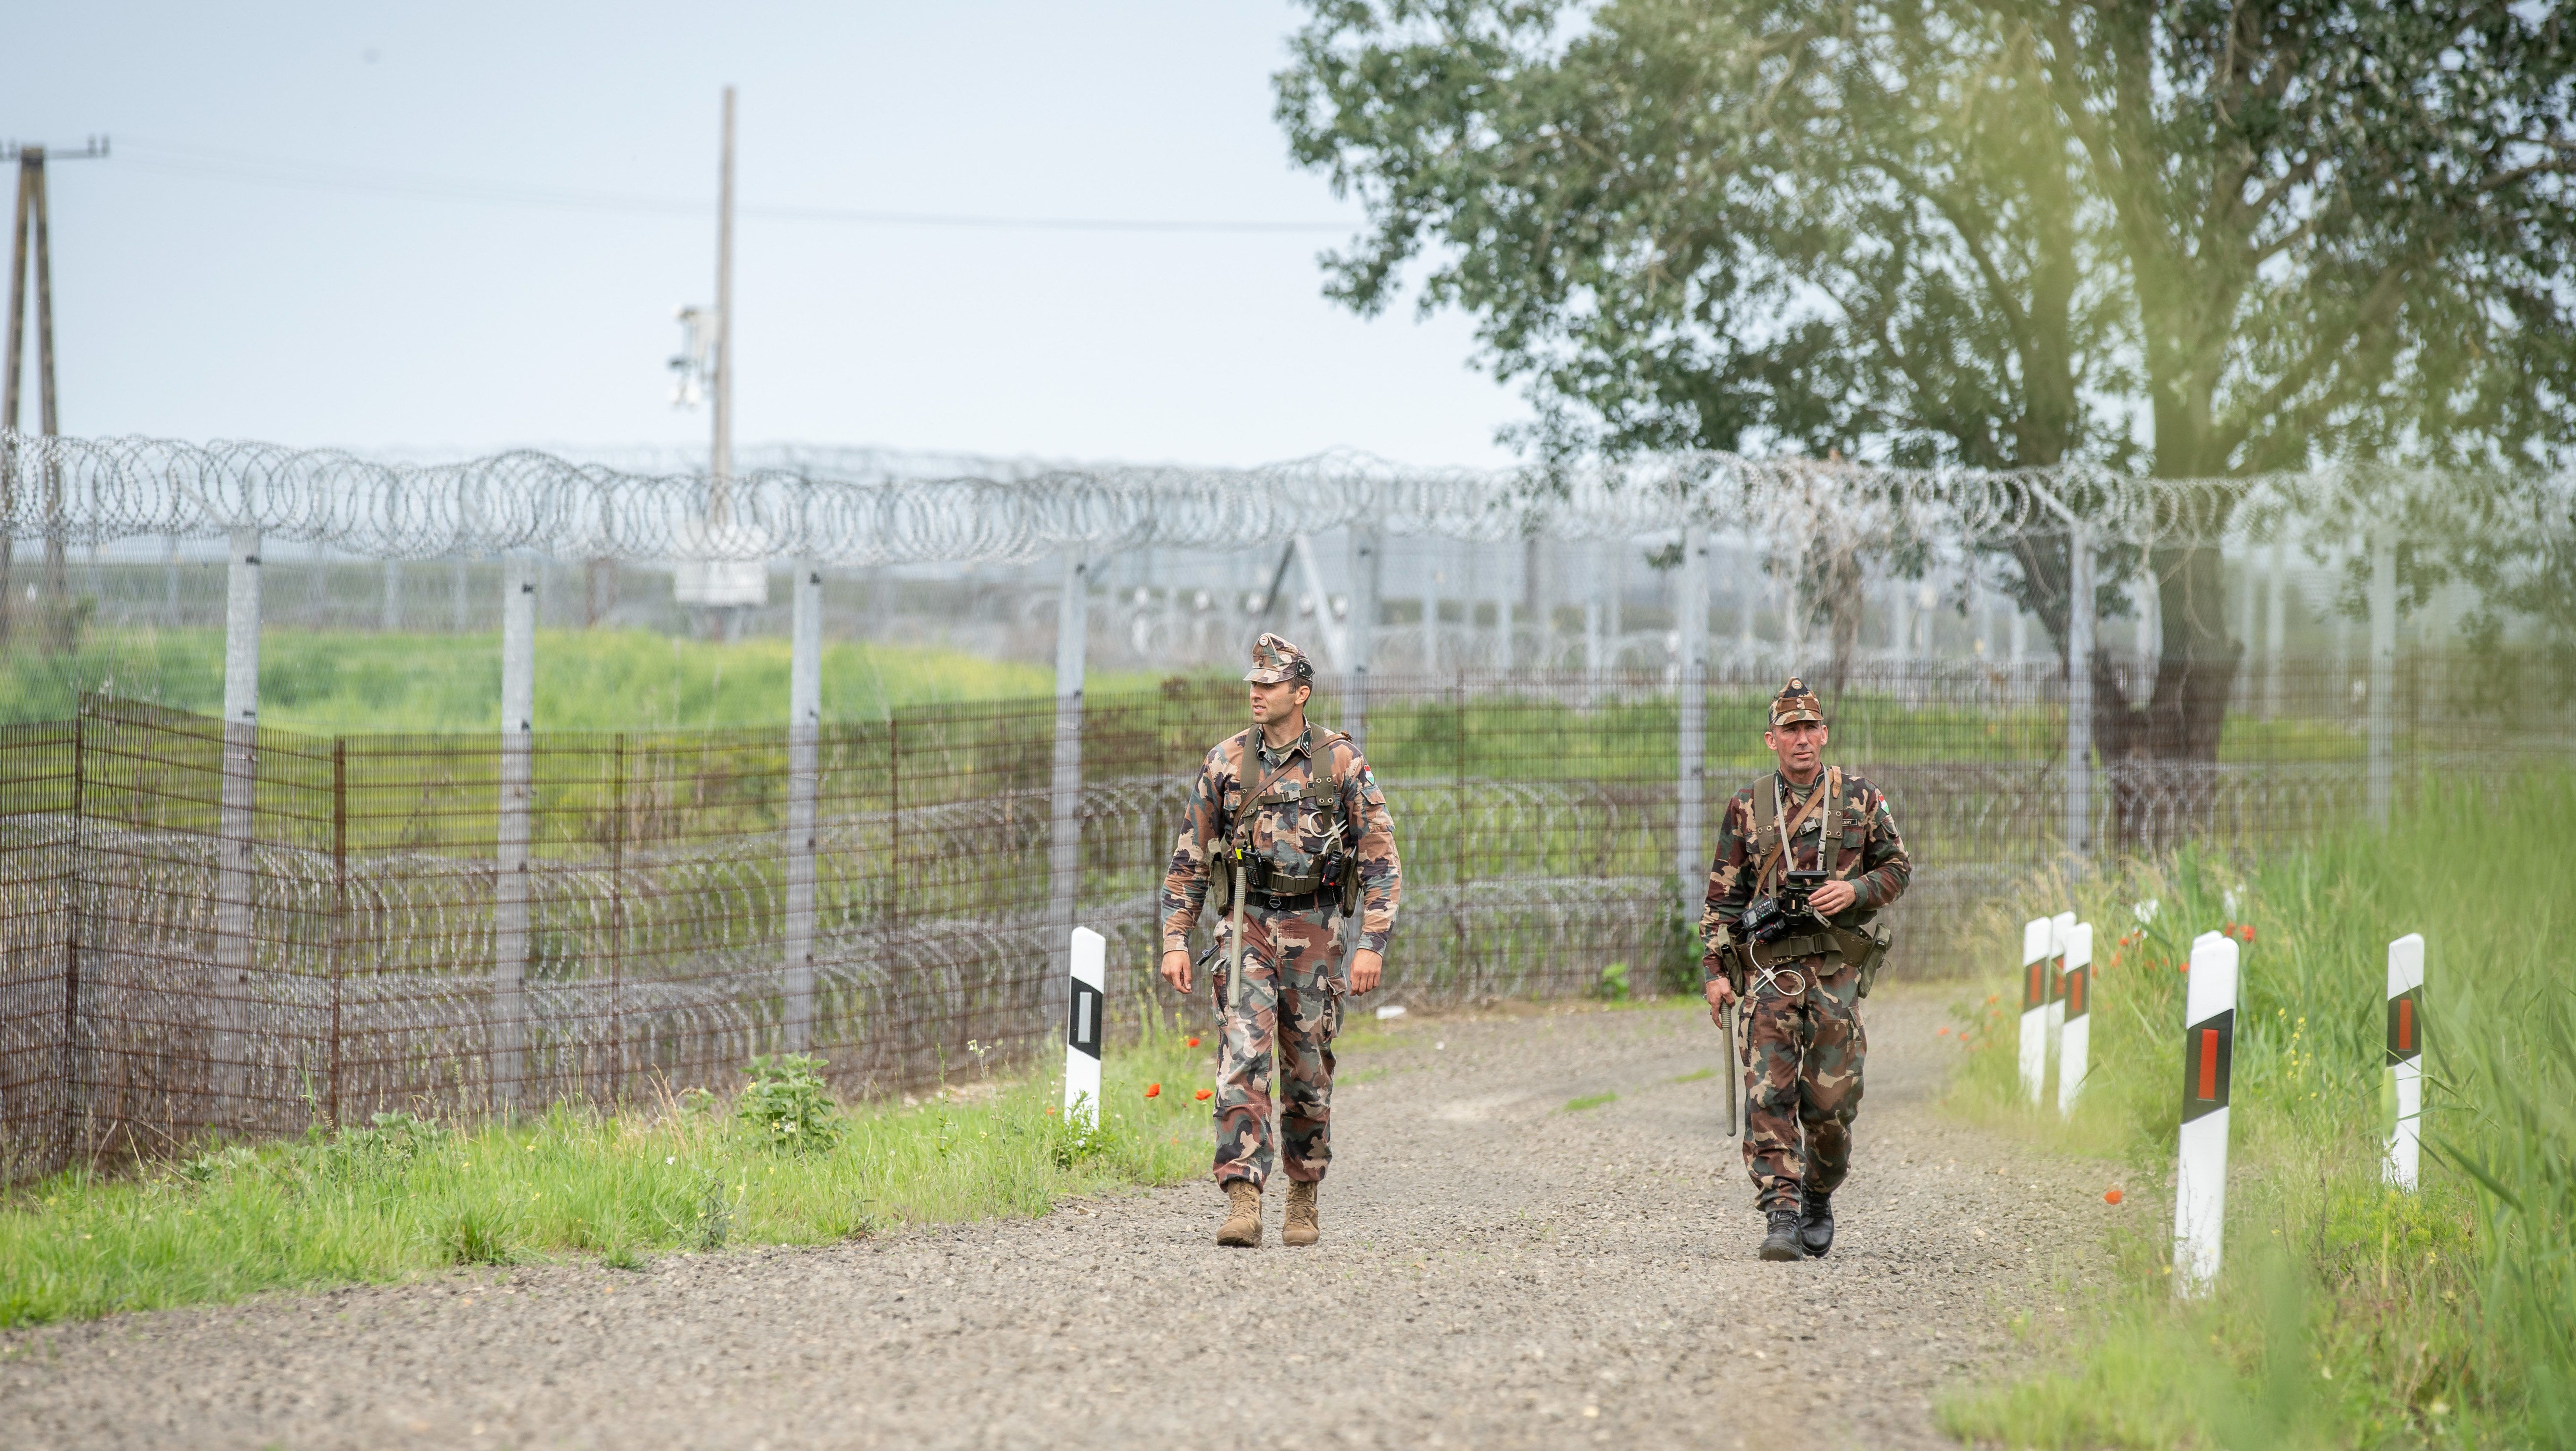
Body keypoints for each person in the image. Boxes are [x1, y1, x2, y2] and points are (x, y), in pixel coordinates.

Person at [1158, 633, 1402, 1248]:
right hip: (1246, 922)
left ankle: (1303, 1192)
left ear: (1301, 691)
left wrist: (1372, 941)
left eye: (1269, 684)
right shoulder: (1225, 763)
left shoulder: (1341, 762)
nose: (1256, 693)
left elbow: (1380, 858)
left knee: (1307, 1068)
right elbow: (1189, 859)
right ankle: (1243, 1196)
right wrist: (1175, 939)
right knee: (1242, 1054)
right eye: (1253, 683)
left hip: (1317, 931)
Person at [1701, 678, 1911, 1261]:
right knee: (1769, 1093)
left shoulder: (1860, 799)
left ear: (1824, 734)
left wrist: (1856, 889)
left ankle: (1818, 1191)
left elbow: (1898, 867)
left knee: (1833, 1106)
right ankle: (1783, 1214)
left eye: (1809, 728)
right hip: (1770, 975)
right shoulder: (1748, 808)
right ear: (1773, 739)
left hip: (1835, 975)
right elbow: (1722, 900)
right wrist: (1716, 970)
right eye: (1789, 730)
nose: (1801, 739)